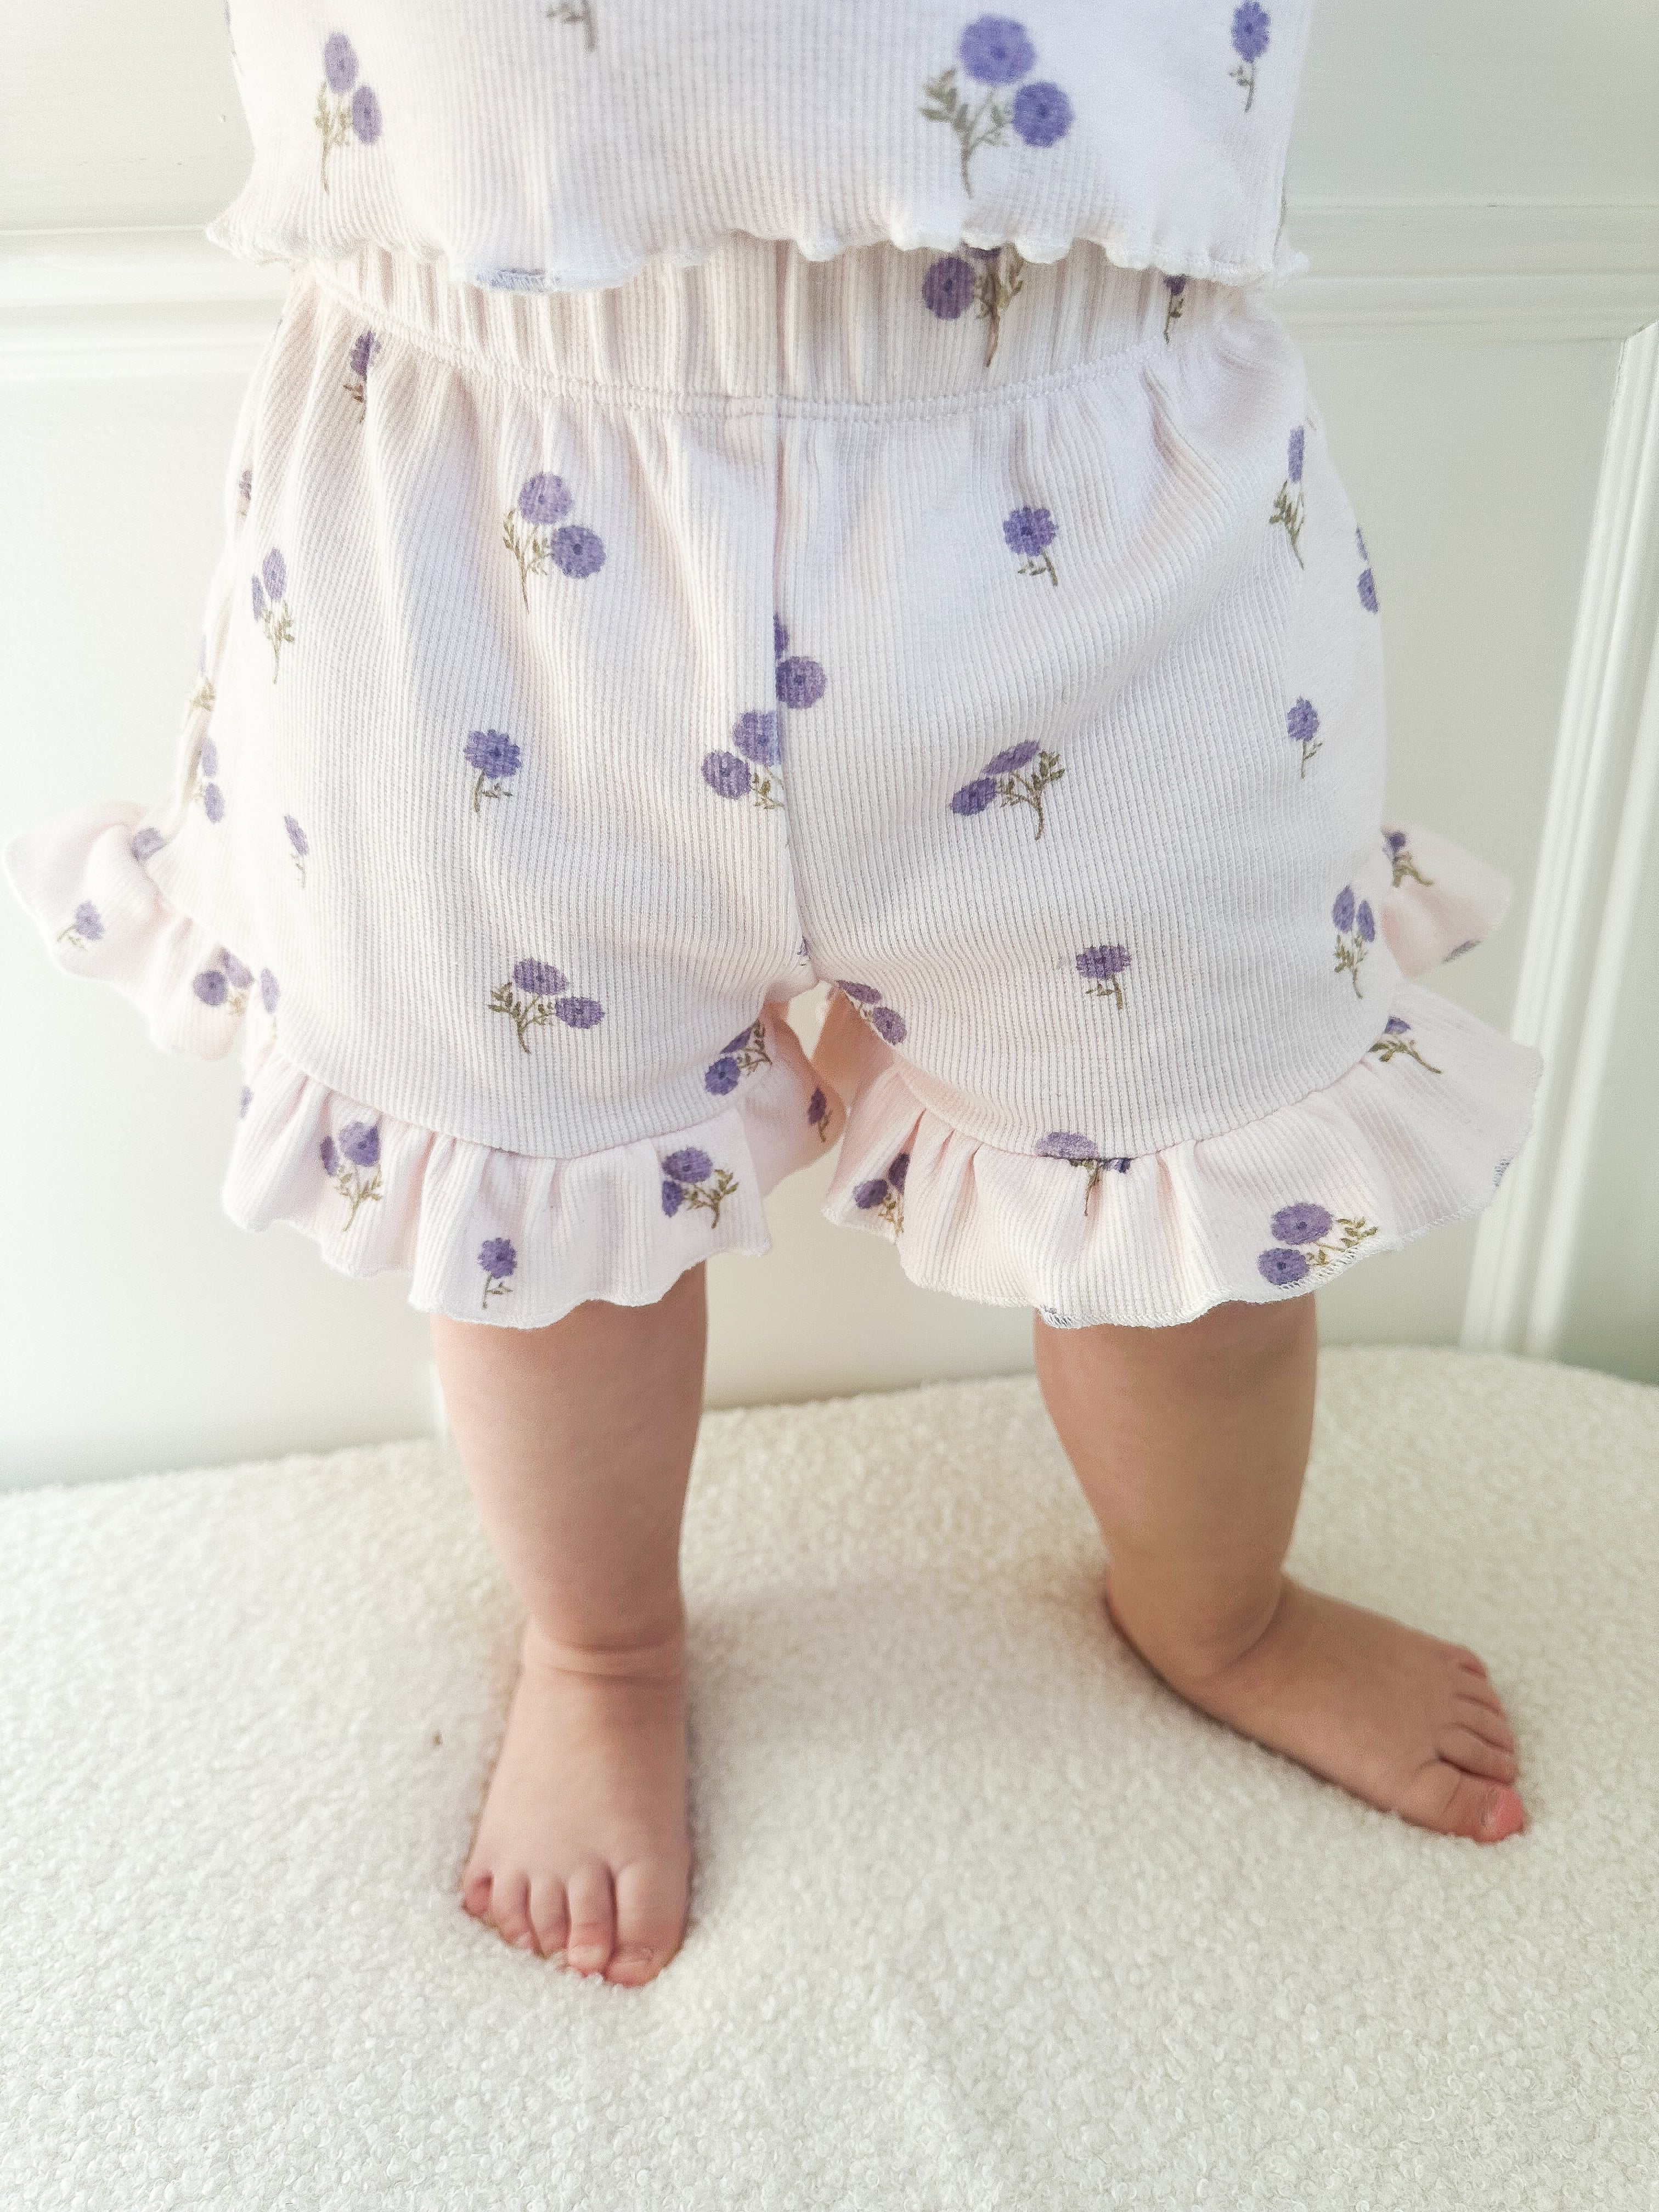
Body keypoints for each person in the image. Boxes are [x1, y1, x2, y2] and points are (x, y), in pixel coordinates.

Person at [5, 3, 1539, 1987]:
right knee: (543, 1234)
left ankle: (1217, 1605)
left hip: (1107, 465)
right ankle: (601, 1641)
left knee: (1204, 1205)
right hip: (476, 470)